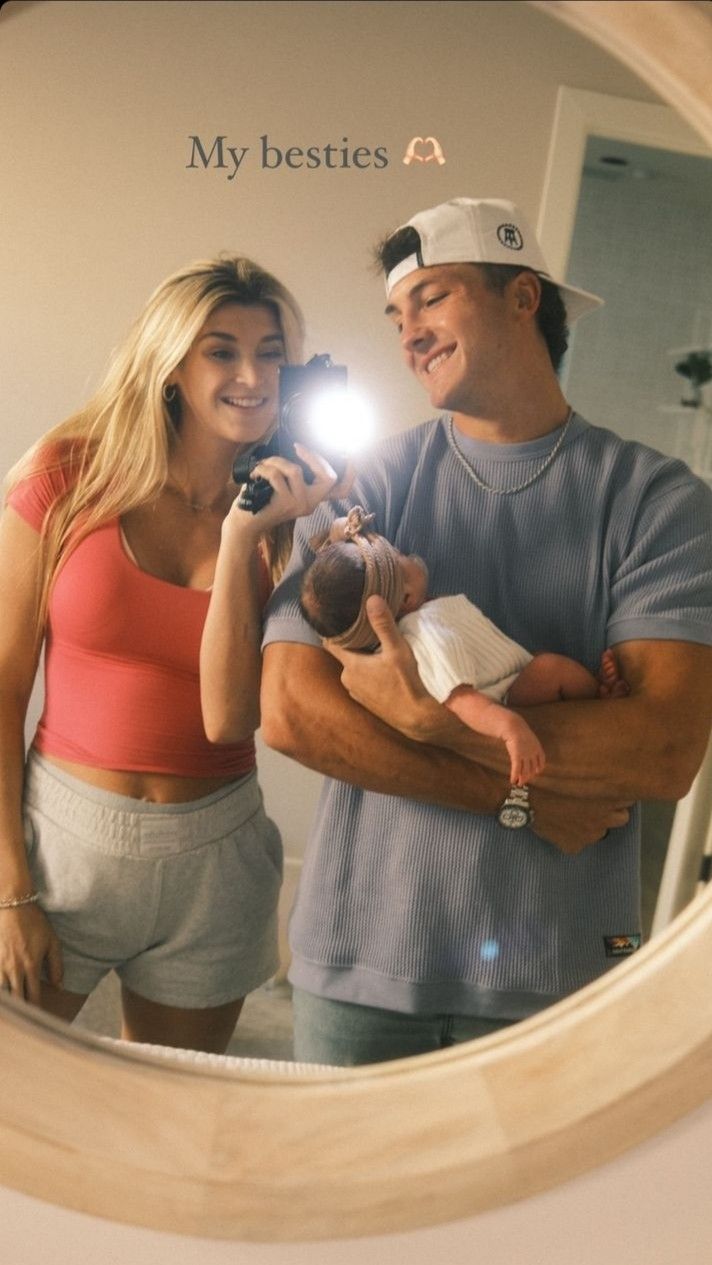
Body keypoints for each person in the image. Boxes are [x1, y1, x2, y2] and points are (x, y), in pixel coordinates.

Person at [226, 196, 710, 1068]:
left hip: (563, 982)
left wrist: (419, 718)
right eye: (397, 314)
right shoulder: (362, 486)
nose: (408, 333)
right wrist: (515, 795)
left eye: (434, 298)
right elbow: (294, 714)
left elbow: (664, 749)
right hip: (359, 969)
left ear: (524, 298)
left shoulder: (658, 502)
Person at [0, 254, 345, 1054]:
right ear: (172, 364)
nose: (252, 373)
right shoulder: (68, 476)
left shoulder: (295, 511)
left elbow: (230, 720)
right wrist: (11, 891)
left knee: (168, 1126)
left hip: (216, 855)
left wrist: (247, 536)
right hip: (64, 841)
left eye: (271, 353)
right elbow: (3, 684)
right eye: (221, 349)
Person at [299, 504, 628, 786]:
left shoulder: (423, 614)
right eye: (399, 557)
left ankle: (594, 694)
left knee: (545, 666)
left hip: (510, 682)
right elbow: (461, 699)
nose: (407, 553)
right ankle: (597, 696)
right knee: (549, 668)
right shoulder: (426, 635)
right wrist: (510, 728)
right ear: (407, 597)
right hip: (502, 700)